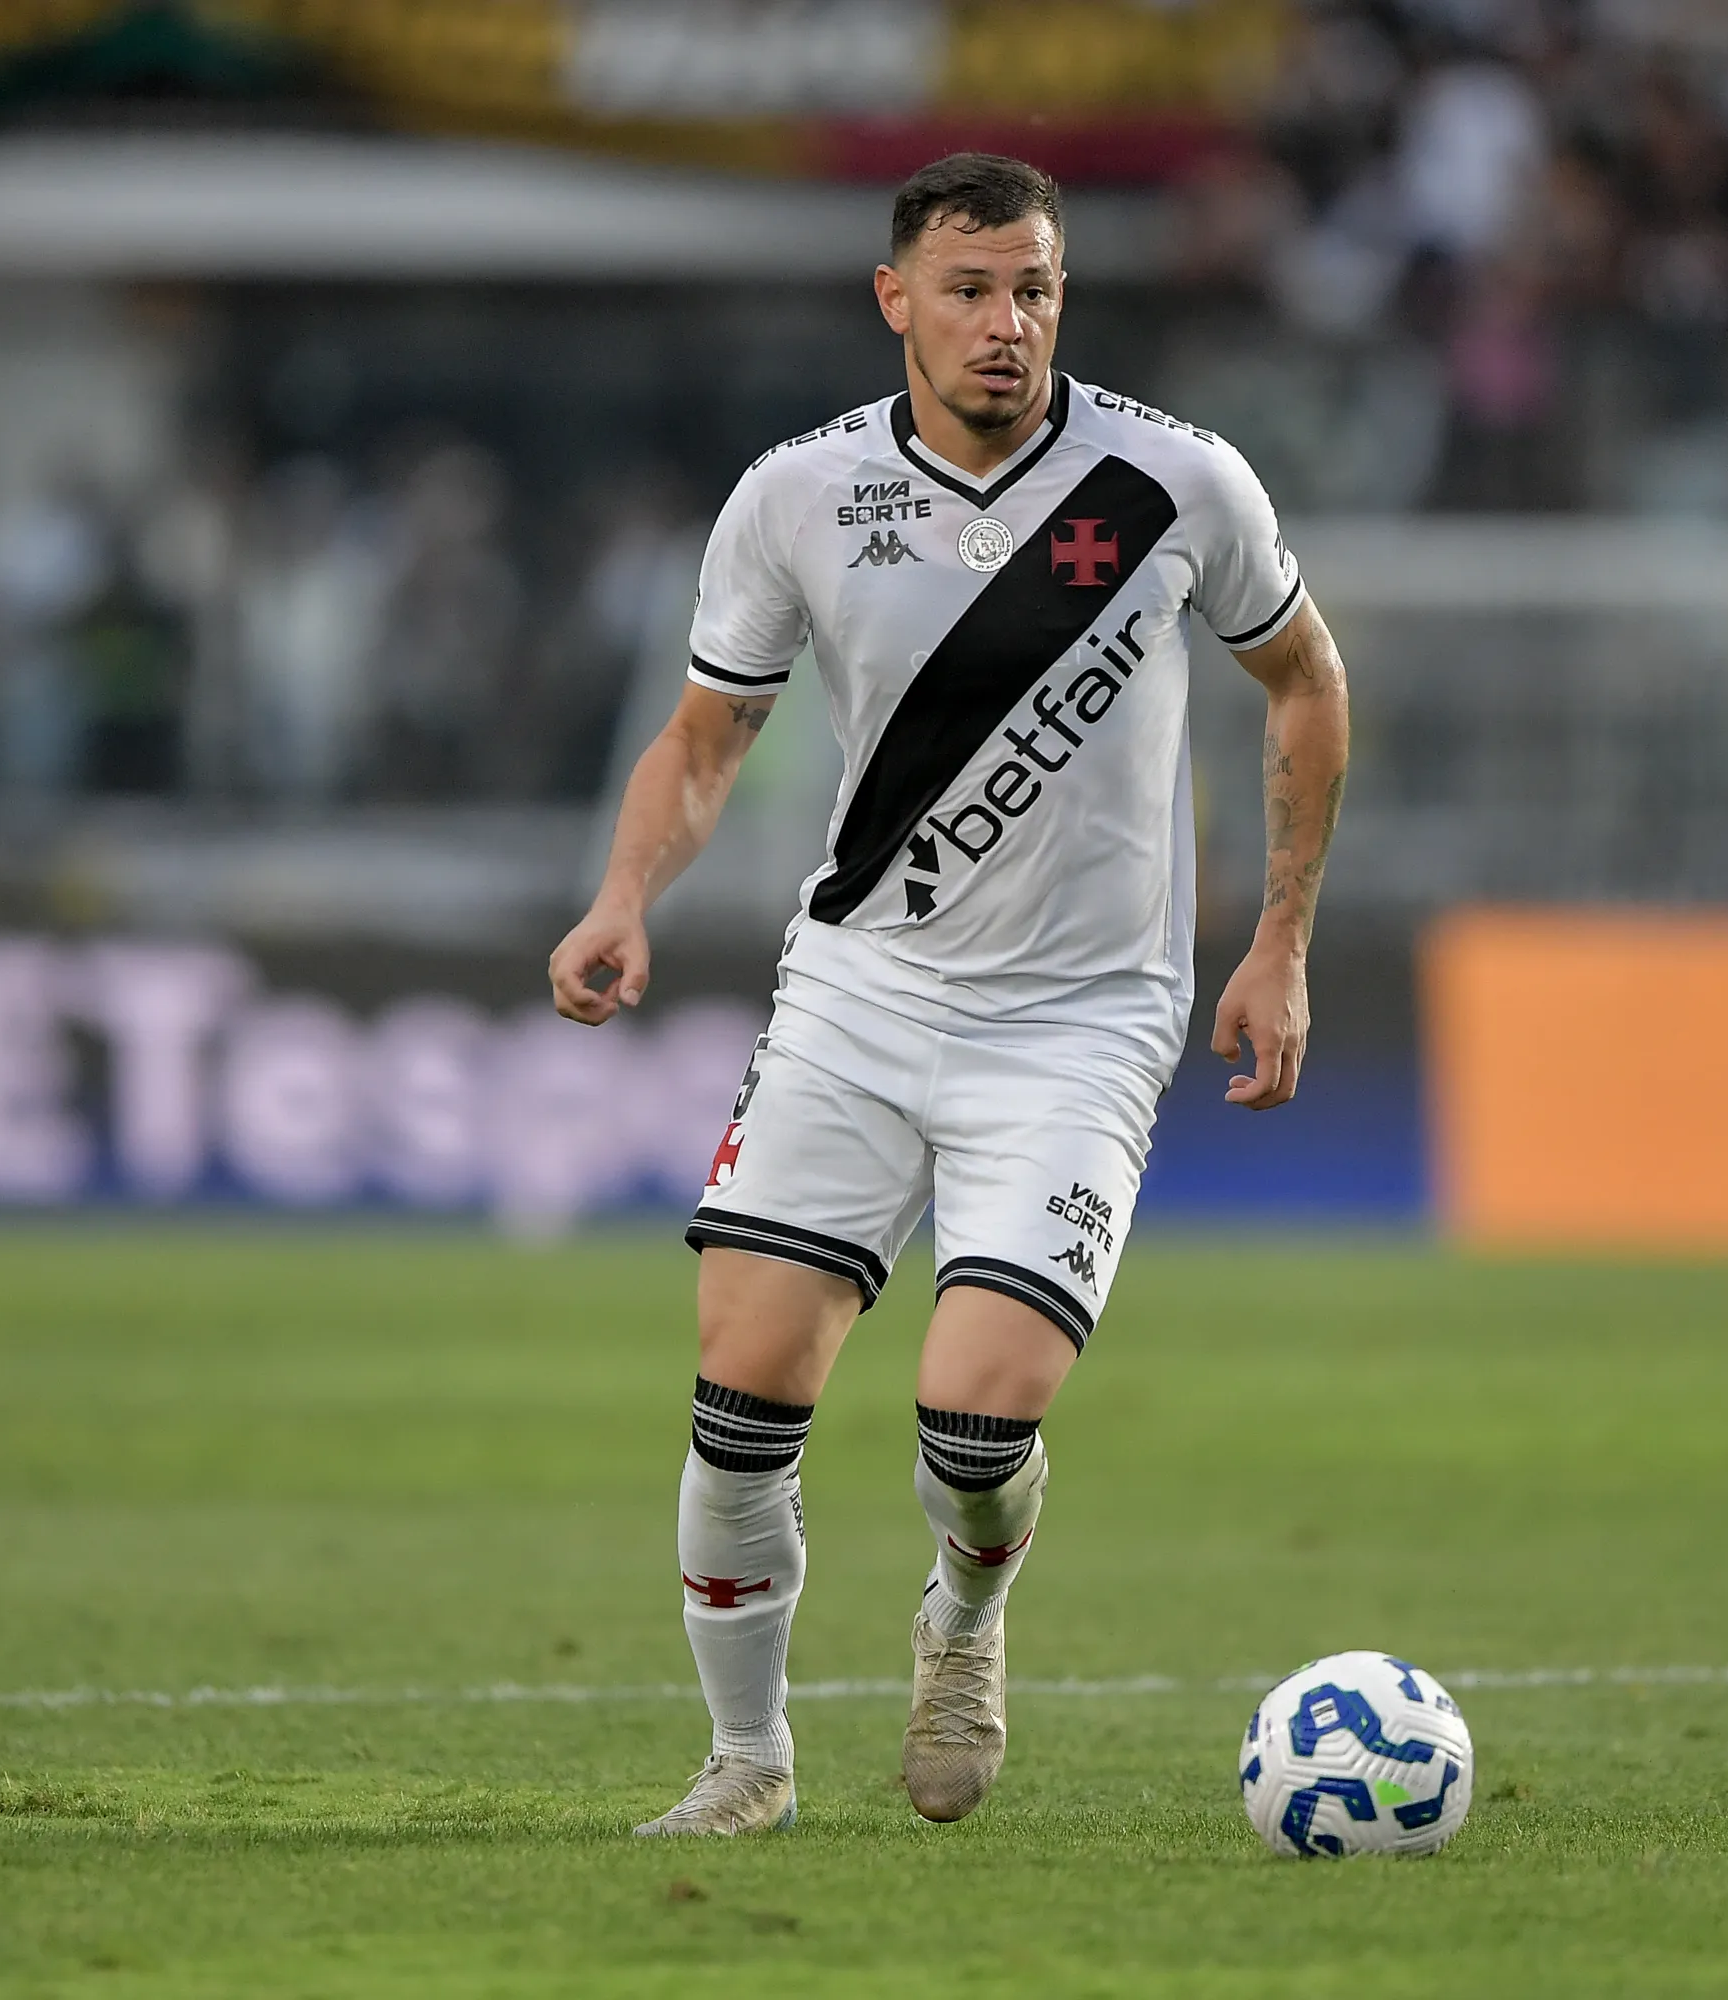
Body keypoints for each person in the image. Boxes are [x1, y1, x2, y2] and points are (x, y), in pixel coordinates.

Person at [546, 153, 1352, 1838]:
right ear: (895, 299)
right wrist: (625, 895)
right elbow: (707, 739)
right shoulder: (797, 495)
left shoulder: (1171, 481)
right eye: (971, 289)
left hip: (1080, 1021)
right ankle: (749, 1763)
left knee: (980, 1422)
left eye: (1034, 289)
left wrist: (1280, 941)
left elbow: (1304, 682)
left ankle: (964, 1619)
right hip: (863, 993)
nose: (1007, 323)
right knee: (742, 1389)